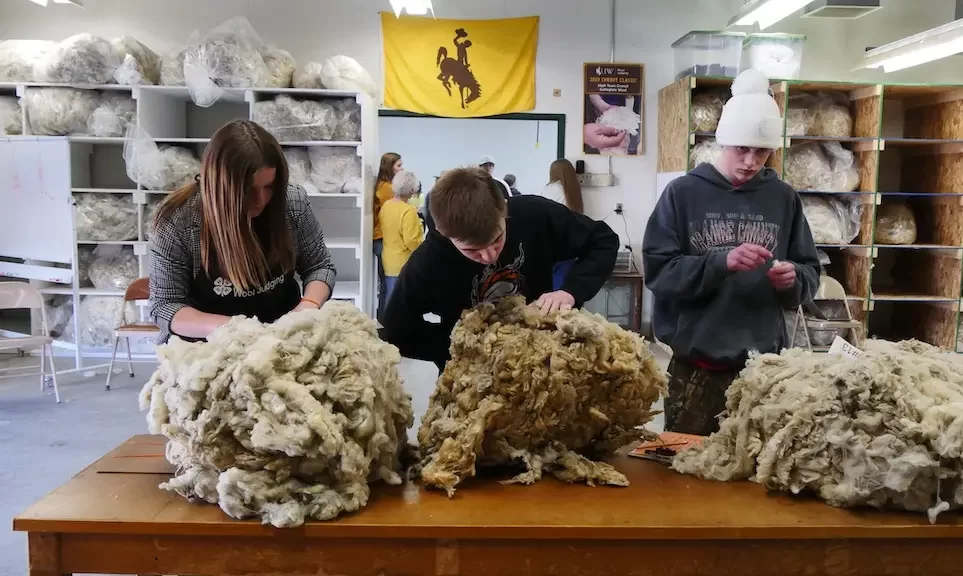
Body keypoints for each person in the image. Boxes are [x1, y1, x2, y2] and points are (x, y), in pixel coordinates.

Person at [642, 69, 820, 436]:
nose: (751, 162)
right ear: (723, 142)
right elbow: (660, 271)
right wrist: (721, 262)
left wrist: (792, 280)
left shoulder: (783, 198)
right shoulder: (683, 194)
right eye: (742, 149)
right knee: (683, 472)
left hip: (763, 367)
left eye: (762, 152)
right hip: (696, 366)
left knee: (754, 471)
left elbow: (808, 273)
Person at [380, 167, 619, 372]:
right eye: (472, 250)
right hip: (469, 377)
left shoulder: (534, 215)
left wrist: (570, 291)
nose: (488, 256)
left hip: (541, 362)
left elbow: (603, 240)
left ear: (504, 210)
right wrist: (459, 344)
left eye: (497, 240)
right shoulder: (429, 260)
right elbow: (396, 329)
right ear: (446, 235)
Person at [149, 120, 336, 343]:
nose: (261, 200)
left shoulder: (291, 202)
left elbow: (319, 266)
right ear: (220, 185)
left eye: (269, 186)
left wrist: (308, 306)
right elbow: (166, 305)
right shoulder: (178, 220)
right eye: (247, 190)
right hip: (208, 345)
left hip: (283, 336)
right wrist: (237, 329)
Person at [379, 170, 424, 304]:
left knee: (390, 298)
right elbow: (412, 241)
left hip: (388, 259)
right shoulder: (408, 211)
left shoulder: (386, 206)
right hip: (404, 263)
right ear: (412, 190)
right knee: (403, 303)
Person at [540, 159, 585, 291]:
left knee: (550, 284)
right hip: (571, 243)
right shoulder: (573, 192)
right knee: (563, 282)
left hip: (552, 242)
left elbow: (542, 214)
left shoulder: (552, 189)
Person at [373, 152, 404, 319]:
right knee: (390, 281)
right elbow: (392, 214)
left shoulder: (384, 186)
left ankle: (384, 317)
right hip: (383, 238)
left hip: (381, 238)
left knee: (386, 282)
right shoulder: (386, 188)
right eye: (398, 165)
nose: (402, 168)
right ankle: (387, 319)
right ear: (389, 166)